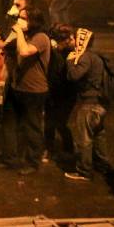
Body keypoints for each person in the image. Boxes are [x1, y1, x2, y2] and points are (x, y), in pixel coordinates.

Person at [0, 6, 50, 174]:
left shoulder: (41, 37)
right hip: (16, 87)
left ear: (34, 21)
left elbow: (24, 51)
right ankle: (9, 158)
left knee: (32, 127)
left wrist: (20, 32)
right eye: (19, 17)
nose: (19, 21)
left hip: (34, 91)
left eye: (24, 18)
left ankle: (32, 162)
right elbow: (5, 46)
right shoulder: (24, 36)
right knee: (9, 123)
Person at [61, 28, 111, 181]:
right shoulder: (95, 56)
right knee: (98, 135)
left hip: (89, 103)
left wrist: (70, 61)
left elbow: (74, 76)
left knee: (85, 138)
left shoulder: (84, 58)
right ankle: (102, 165)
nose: (72, 40)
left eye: (75, 38)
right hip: (100, 103)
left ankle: (84, 170)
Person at [45, 24, 77, 164]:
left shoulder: (70, 52)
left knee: (60, 122)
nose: (72, 39)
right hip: (54, 91)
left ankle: (68, 149)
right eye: (70, 37)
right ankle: (50, 148)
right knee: (50, 121)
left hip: (66, 93)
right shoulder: (55, 52)